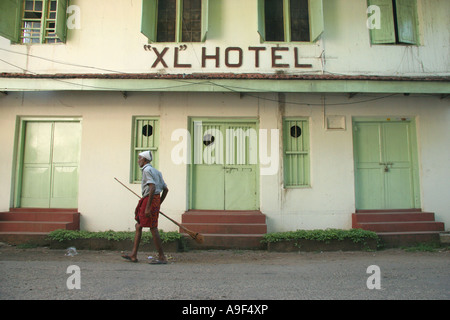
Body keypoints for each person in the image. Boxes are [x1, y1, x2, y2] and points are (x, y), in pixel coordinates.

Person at [122, 150, 169, 264]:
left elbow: (152, 188)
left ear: (145, 160)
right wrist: (158, 203)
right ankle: (133, 255)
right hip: (153, 200)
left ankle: (162, 257)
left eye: (140, 158)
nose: (138, 161)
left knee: (153, 227)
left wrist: (149, 207)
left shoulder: (147, 170)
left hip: (149, 199)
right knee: (139, 225)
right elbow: (165, 189)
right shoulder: (157, 172)